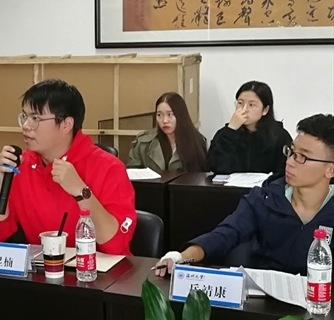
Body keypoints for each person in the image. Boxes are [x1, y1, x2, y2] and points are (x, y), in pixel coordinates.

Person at [155, 113, 334, 277]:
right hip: (265, 295)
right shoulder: (264, 199)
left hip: (322, 296)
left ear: (330, 170)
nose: (290, 162)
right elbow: (225, 234)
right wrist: (181, 257)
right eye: (291, 152)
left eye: (303, 157)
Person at [0, 79, 136, 255]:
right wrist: (0, 183)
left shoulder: (109, 167)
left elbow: (115, 245)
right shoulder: (22, 165)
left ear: (66, 125)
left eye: (35, 118)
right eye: (24, 116)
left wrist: (81, 191)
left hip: (99, 269)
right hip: (45, 268)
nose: (26, 126)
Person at [207, 81, 292, 175]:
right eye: (240, 103)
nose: (244, 109)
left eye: (251, 105)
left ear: (265, 110)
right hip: (231, 184)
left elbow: (284, 172)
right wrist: (231, 130)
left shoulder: (280, 136)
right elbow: (216, 167)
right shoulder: (225, 134)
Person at [127, 92, 207, 172]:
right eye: (159, 115)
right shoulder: (143, 142)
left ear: (180, 115)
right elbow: (132, 173)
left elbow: (202, 175)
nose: (165, 120)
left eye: (170, 114)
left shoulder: (196, 142)